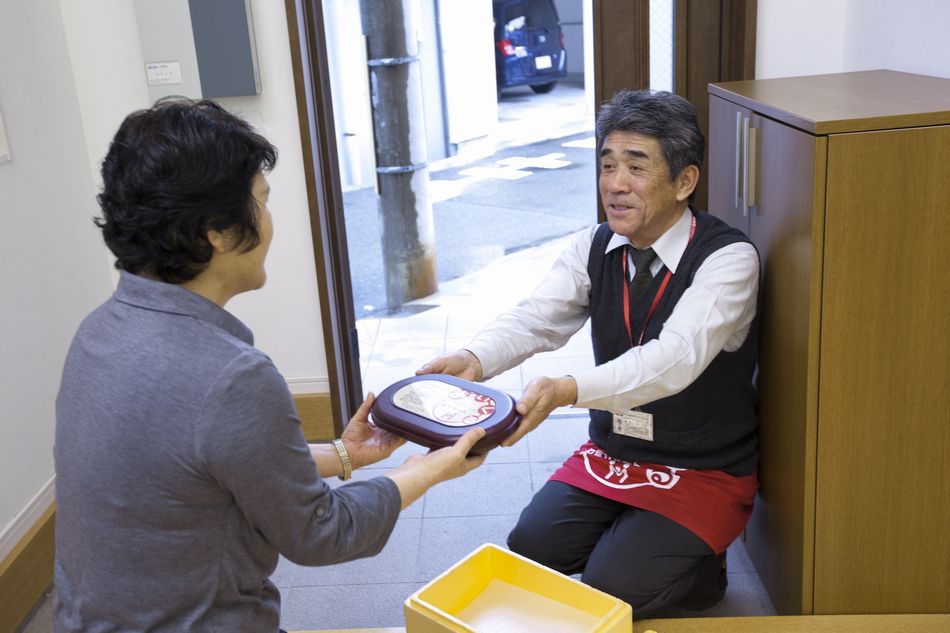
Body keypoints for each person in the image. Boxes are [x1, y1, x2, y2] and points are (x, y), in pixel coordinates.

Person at [53, 98, 487, 632]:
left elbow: (202, 465)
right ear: (217, 229)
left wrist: (344, 455)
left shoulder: (98, 330)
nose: (269, 221)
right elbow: (321, 534)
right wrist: (422, 471)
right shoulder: (232, 376)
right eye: (261, 202)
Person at [419, 89, 760, 617]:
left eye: (636, 166)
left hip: (703, 464)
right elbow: (538, 317)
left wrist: (565, 391)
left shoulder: (728, 259)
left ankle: (701, 570)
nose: (615, 184)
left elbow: (674, 358)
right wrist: (474, 358)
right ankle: (641, 539)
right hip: (617, 452)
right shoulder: (593, 246)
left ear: (685, 181)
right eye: (606, 165)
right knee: (532, 546)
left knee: (610, 586)